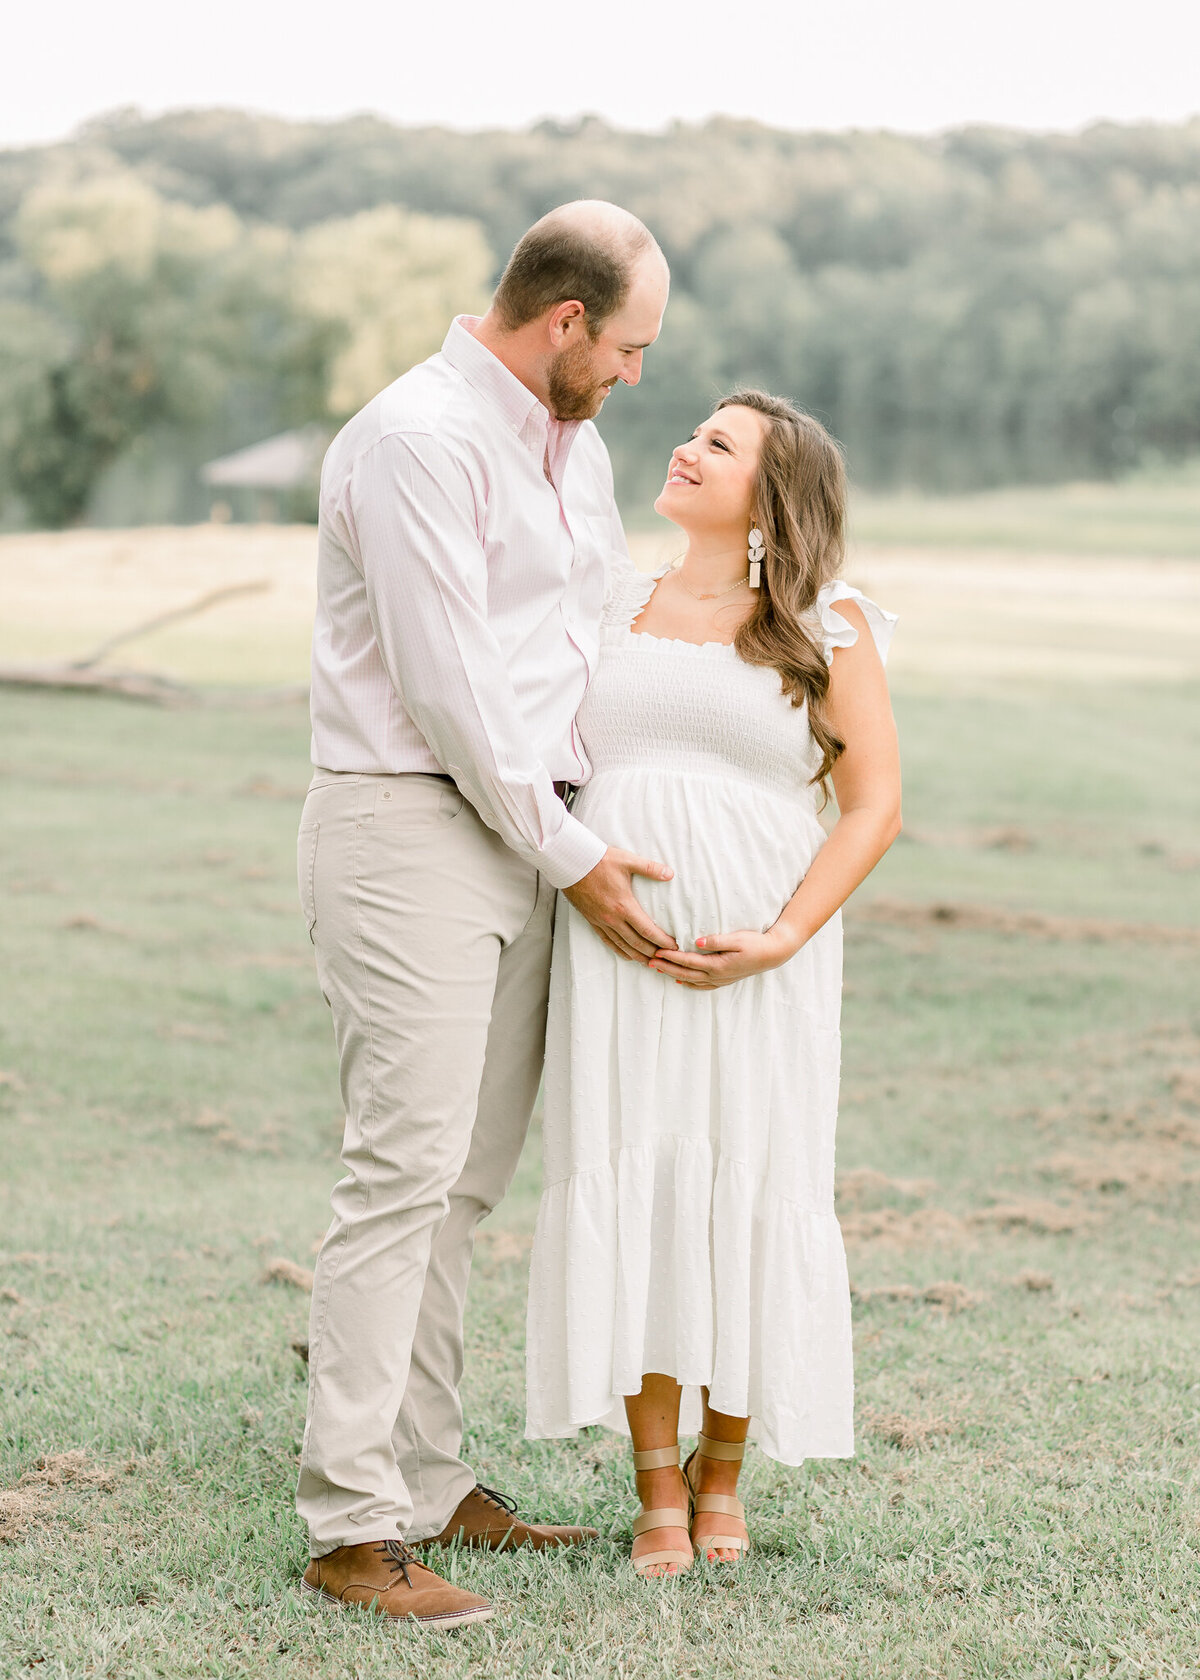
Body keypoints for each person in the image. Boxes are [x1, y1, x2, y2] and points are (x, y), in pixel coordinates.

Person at [296, 201, 673, 1628]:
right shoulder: (417, 441)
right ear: (565, 322)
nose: (638, 373)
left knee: (463, 1184)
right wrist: (576, 856)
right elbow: (451, 690)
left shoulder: (576, 448)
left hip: (530, 831)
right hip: (410, 829)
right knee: (399, 1176)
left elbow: (584, 639)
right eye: (629, 346)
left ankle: (433, 1478)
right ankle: (349, 1521)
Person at [525, 390, 902, 1579]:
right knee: (635, 1184)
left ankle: (724, 1472)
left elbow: (875, 803)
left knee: (749, 1183)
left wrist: (785, 934)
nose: (686, 447)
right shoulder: (605, 602)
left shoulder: (822, 622)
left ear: (772, 492)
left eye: (720, 445)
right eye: (693, 430)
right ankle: (653, 1487)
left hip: (760, 969)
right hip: (614, 948)